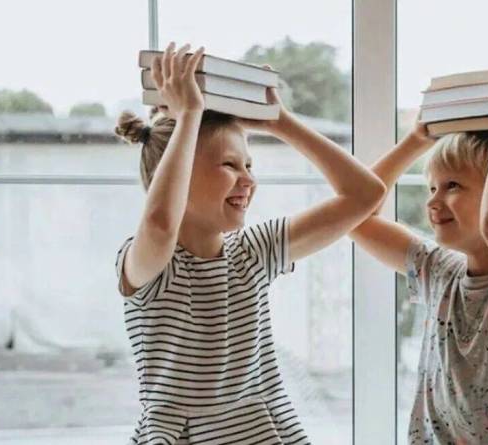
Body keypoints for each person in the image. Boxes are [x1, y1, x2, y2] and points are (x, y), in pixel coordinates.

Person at [114, 42, 385, 444]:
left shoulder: (253, 251)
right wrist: (189, 115)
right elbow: (159, 223)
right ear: (176, 174)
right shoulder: (152, 265)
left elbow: (365, 195)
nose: (248, 179)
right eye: (229, 164)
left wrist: (282, 123)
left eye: (249, 165)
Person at [349, 65, 488, 444]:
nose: (433, 201)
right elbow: (353, 217)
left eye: (452, 185)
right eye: (432, 188)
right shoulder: (438, 269)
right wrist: (415, 141)